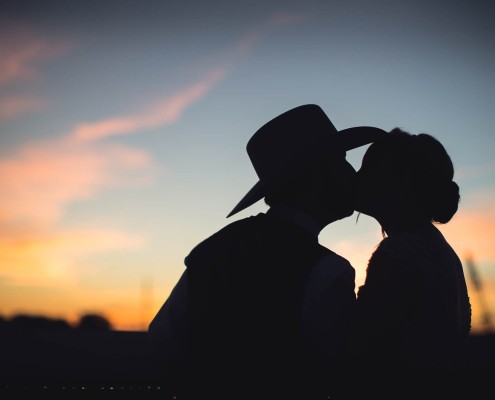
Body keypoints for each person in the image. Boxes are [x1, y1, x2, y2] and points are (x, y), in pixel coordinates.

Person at [147, 104, 386, 400]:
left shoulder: (215, 248)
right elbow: (342, 376)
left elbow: (162, 343)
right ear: (313, 178)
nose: (351, 173)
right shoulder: (328, 270)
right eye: (341, 161)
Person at [342, 128, 472, 399]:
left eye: (367, 169)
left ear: (393, 181)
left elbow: (363, 355)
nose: (357, 176)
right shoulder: (440, 250)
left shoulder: (400, 252)